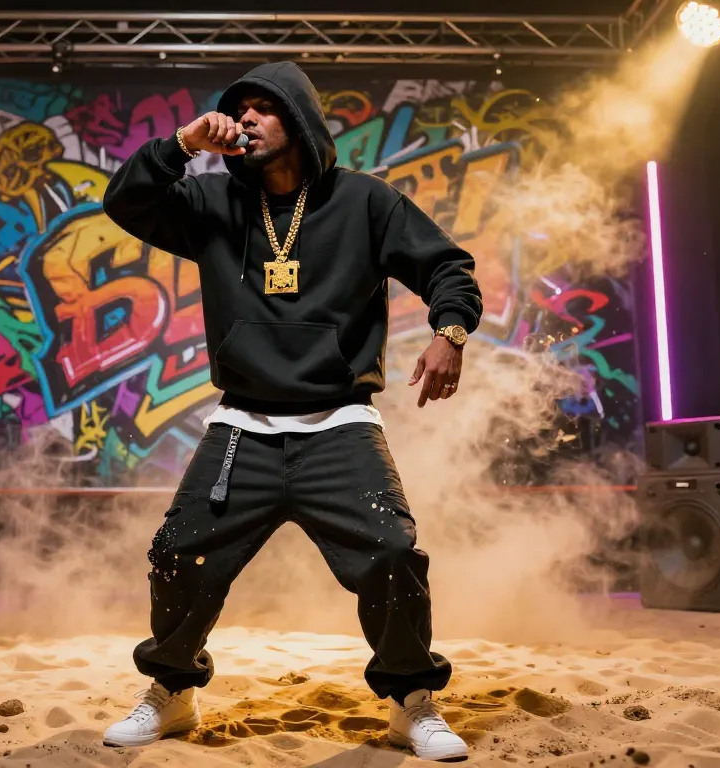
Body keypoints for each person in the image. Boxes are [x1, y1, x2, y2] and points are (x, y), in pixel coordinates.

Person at [99, 62, 482, 762]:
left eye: (263, 107)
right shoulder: (210, 202)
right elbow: (125, 201)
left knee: (392, 553)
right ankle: (172, 691)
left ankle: (410, 703)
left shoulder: (365, 201)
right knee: (179, 554)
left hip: (339, 423)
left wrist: (449, 332)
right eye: (238, 107)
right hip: (241, 425)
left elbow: (446, 267)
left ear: (300, 120)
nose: (246, 118)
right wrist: (182, 144)